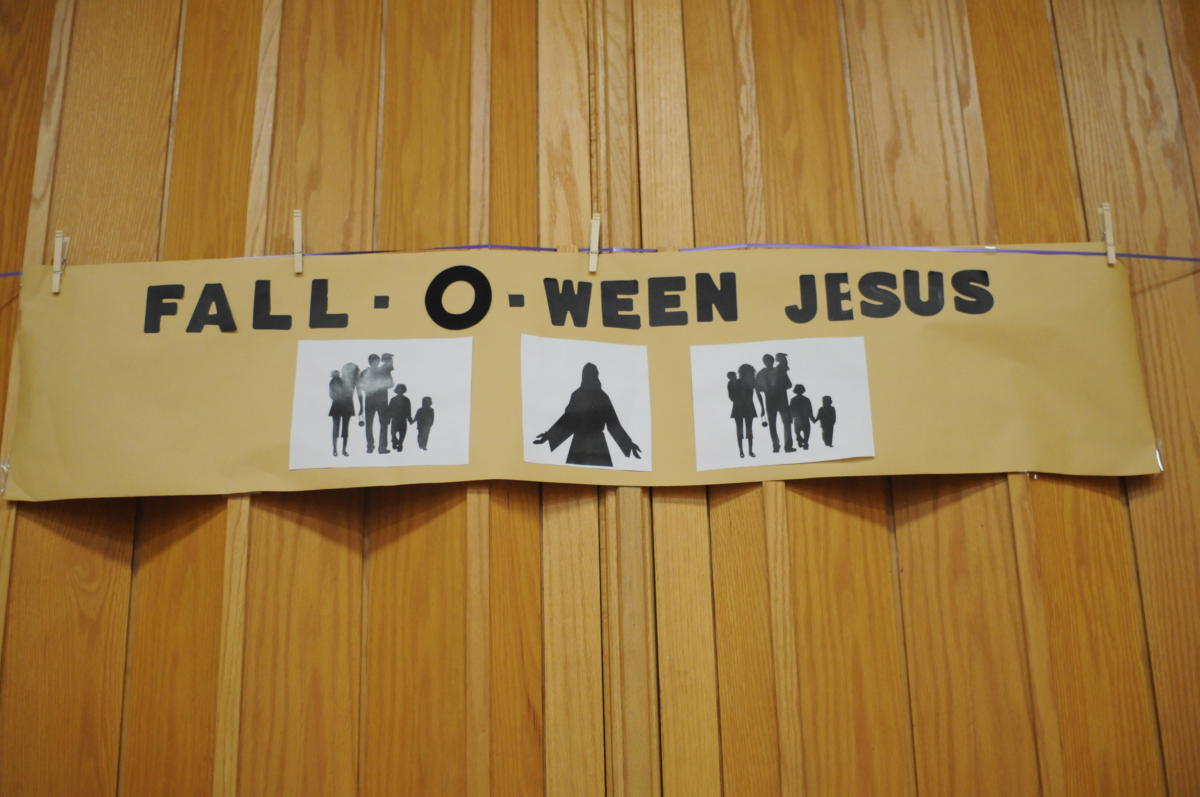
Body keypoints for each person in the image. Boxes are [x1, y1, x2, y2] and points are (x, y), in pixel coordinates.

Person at [533, 362, 641, 467]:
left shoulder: (581, 395)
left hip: (583, 444)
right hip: (595, 445)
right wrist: (549, 435)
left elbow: (567, 421)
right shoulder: (600, 397)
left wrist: (628, 444)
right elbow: (568, 420)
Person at [755, 352, 795, 453]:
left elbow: (757, 390)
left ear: (764, 362)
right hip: (782, 400)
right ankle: (787, 446)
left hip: (770, 401)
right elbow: (789, 385)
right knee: (786, 423)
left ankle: (776, 446)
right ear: (773, 361)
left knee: (773, 424)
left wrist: (762, 407)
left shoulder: (760, 374)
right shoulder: (779, 370)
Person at [358, 353, 395, 453]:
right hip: (380, 401)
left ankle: (371, 447)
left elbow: (360, 387)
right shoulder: (383, 371)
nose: (374, 362)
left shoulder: (365, 372)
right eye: (373, 360)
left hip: (372, 401)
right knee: (382, 424)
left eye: (375, 360)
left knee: (372, 425)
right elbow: (391, 384)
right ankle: (380, 447)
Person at [728, 364, 757, 458]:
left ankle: (743, 451)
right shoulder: (751, 382)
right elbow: (731, 397)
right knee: (748, 429)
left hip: (740, 407)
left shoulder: (735, 382)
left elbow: (731, 397)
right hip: (746, 407)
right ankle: (749, 451)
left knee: (741, 429)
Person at [328, 370, 355, 456]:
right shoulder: (336, 381)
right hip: (343, 406)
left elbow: (331, 394)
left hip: (339, 406)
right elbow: (332, 394)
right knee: (343, 429)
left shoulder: (334, 381)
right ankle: (340, 450)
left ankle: (337, 450)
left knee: (339, 428)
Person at [789, 384, 816, 450]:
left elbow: (791, 410)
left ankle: (800, 440)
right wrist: (812, 418)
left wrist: (791, 419)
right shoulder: (806, 399)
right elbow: (810, 410)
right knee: (806, 433)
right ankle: (805, 442)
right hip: (804, 418)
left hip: (797, 419)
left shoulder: (793, 399)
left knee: (797, 432)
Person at [388, 384, 414, 452]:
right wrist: (388, 419)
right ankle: (394, 441)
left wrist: (409, 419)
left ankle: (400, 445)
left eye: (401, 390)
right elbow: (389, 410)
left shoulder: (407, 400)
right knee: (393, 433)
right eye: (399, 389)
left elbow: (408, 410)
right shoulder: (393, 399)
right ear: (396, 390)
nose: (400, 391)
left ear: (403, 391)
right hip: (395, 419)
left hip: (403, 419)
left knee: (402, 434)